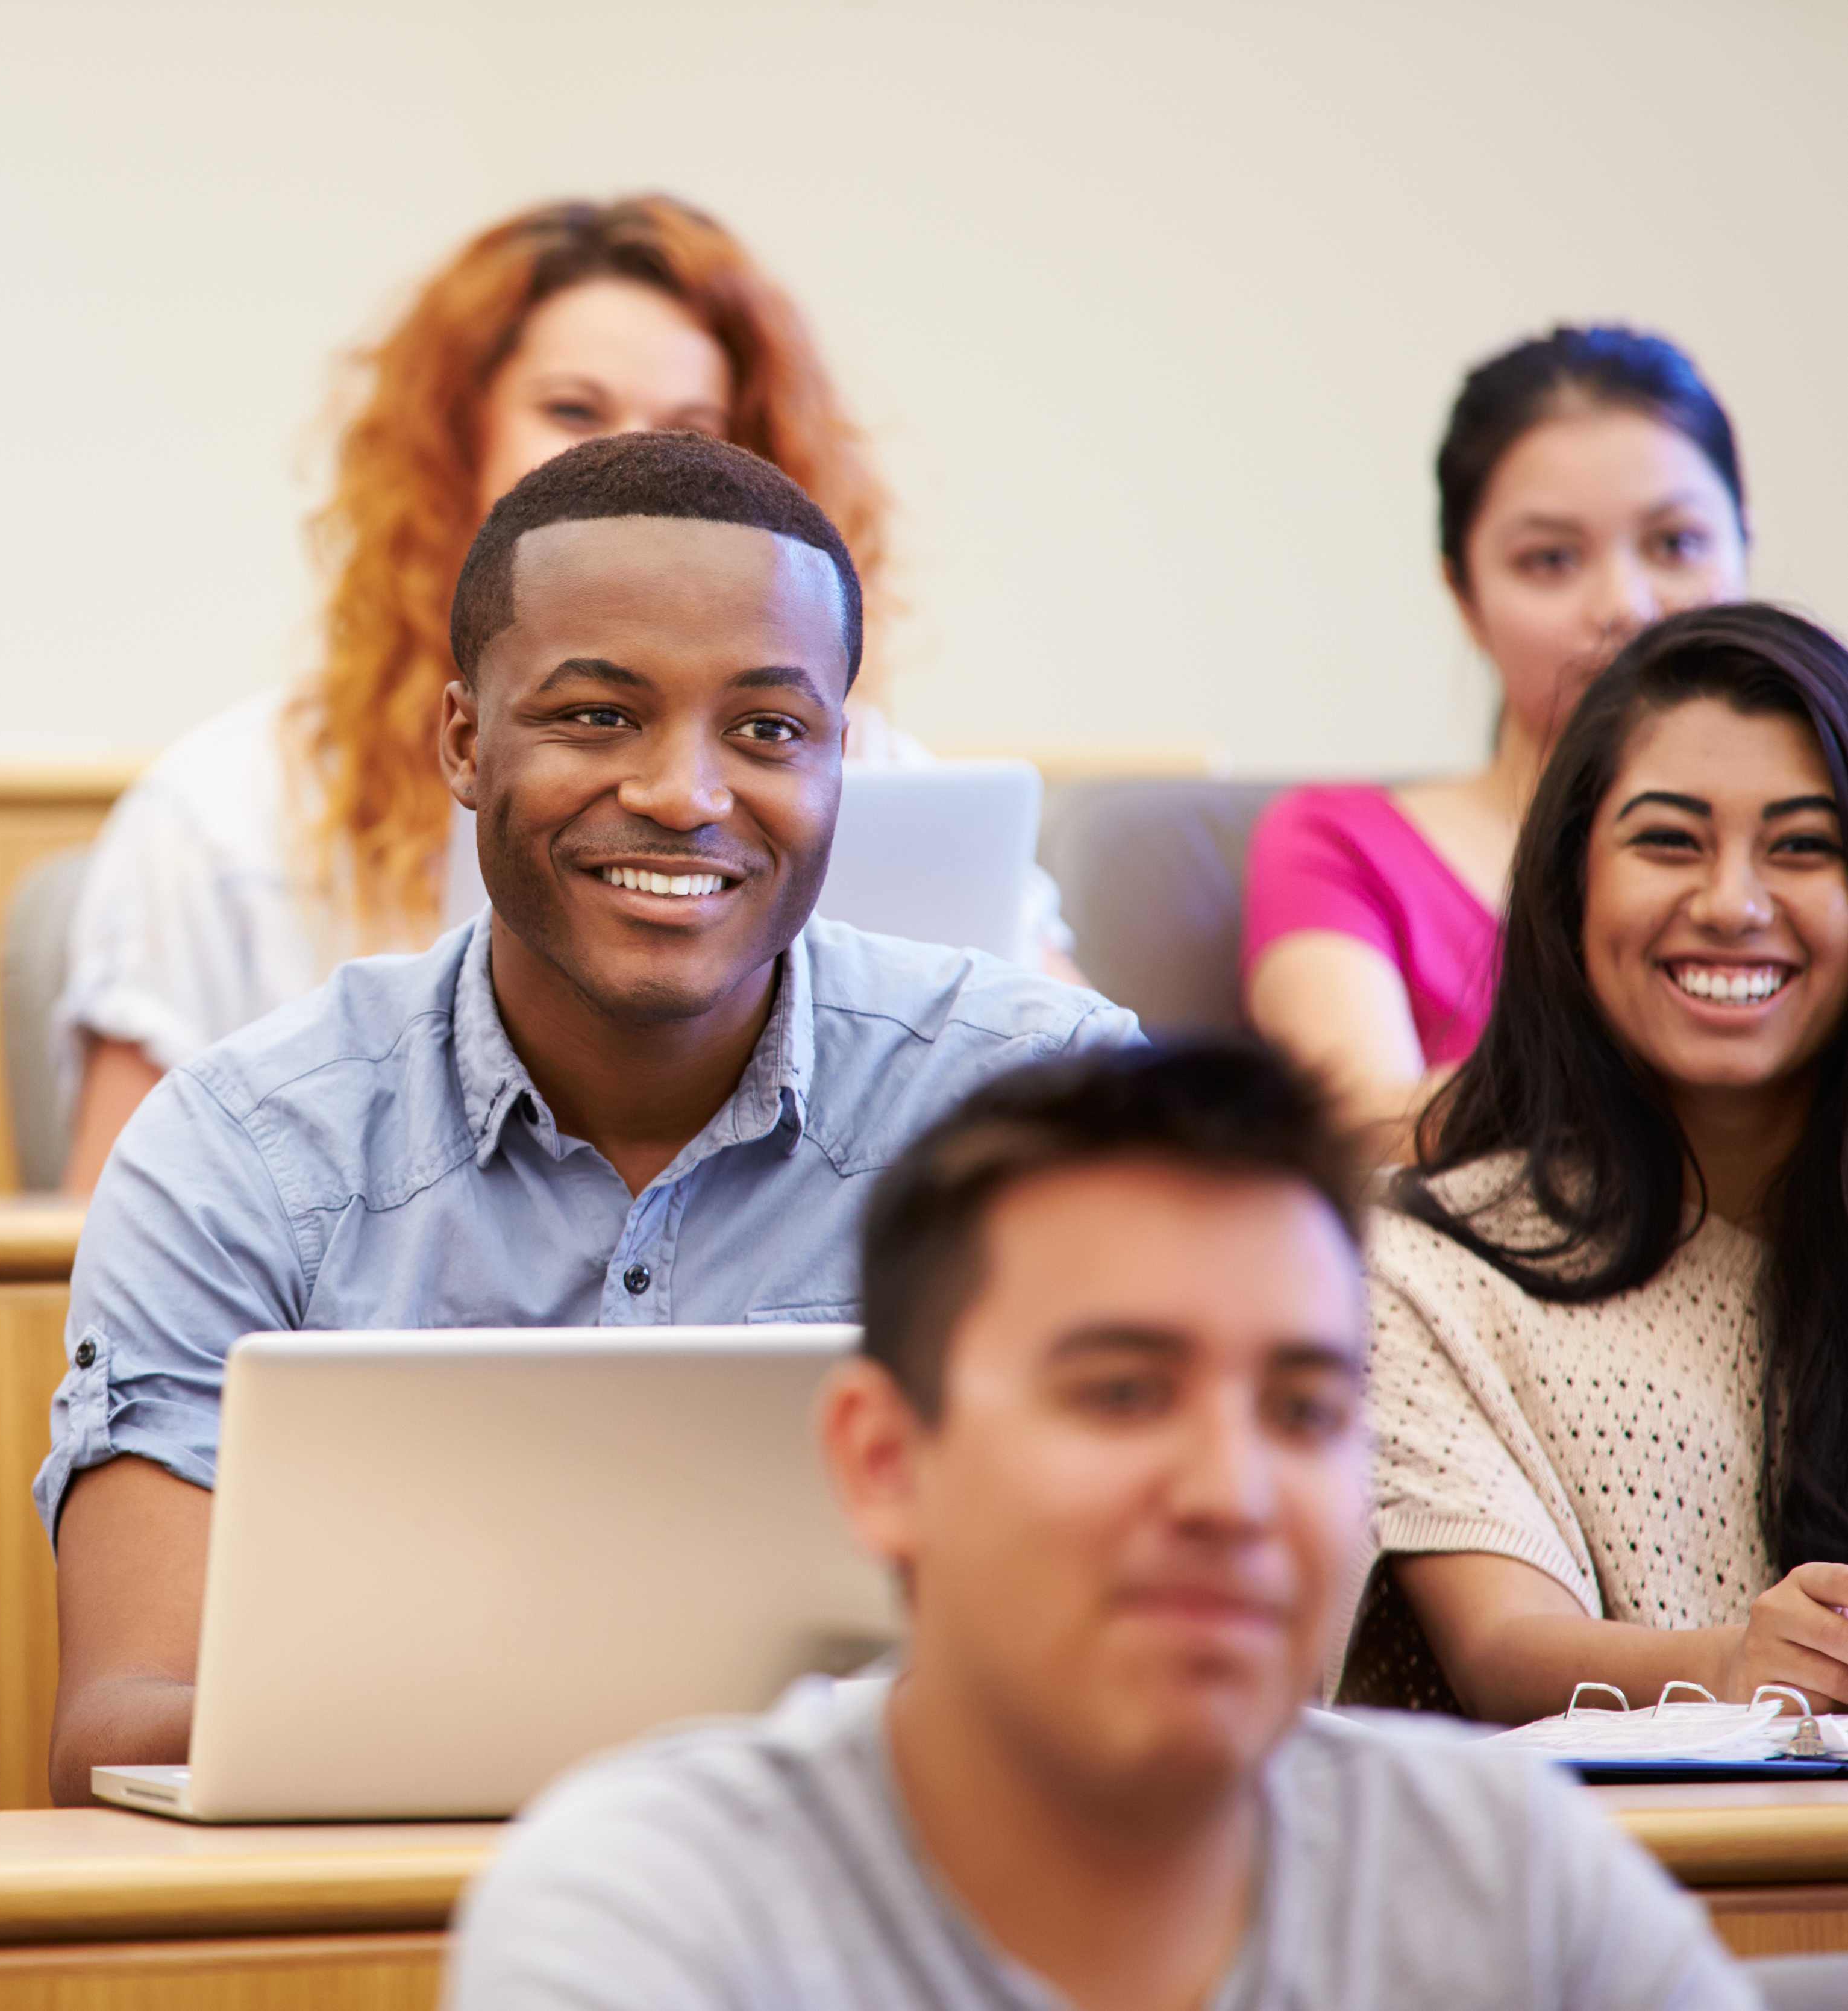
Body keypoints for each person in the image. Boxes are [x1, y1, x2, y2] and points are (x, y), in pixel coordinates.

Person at [38, 431, 1136, 1803]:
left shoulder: (1049, 1108)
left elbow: (1167, 1642)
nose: (685, 795)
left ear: (841, 762)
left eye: (769, 730)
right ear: (464, 741)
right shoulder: (242, 1151)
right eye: (599, 716)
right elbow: (115, 1728)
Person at [445, 1039, 1755, 2011]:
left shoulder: (1510, 1881)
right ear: (886, 1458)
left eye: (1303, 1408)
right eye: (1124, 1392)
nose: (1229, 1493)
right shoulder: (652, 1917)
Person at [58, 194, 1078, 1194]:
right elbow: (121, 1218)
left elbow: (1089, 1108)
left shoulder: (869, 772)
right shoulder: (223, 806)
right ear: (457, 445)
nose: (627, 463)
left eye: (692, 430)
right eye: (572, 411)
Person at [1349, 602, 1848, 1725]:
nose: (1732, 904)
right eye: (1668, 840)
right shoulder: (1423, 1262)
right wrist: (1732, 1670)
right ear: (1570, 884)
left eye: (1803, 846)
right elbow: (1500, 1645)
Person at [1244, 326, 1748, 1158]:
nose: (1624, 605)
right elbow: (1360, 1121)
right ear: (1463, 591)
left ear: (1742, 543)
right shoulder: (1340, 842)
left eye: (1675, 545)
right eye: (1549, 559)